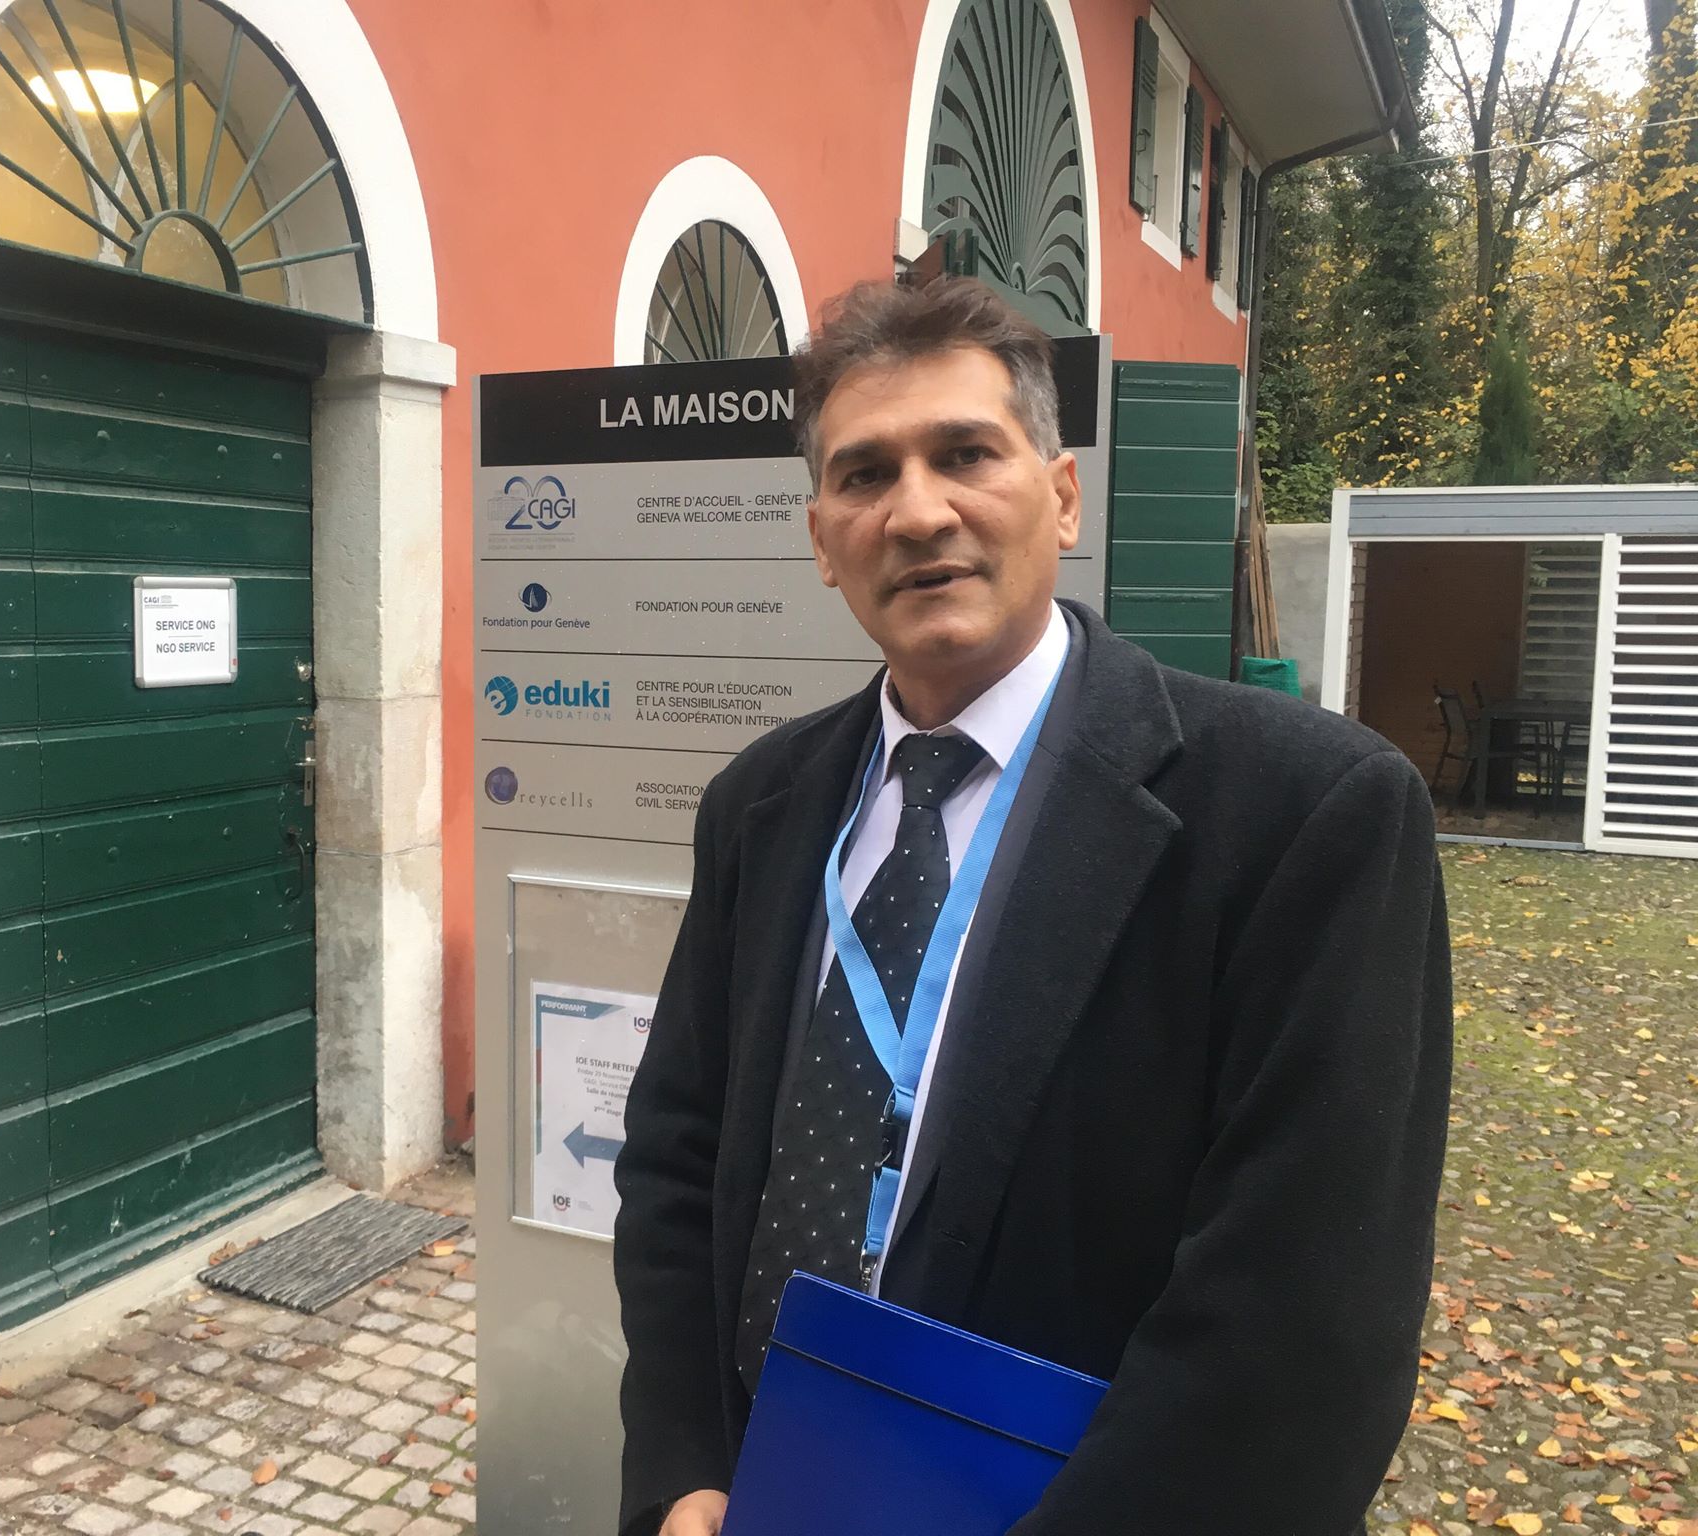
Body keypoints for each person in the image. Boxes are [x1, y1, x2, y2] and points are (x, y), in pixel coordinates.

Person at [610, 277, 1452, 1536]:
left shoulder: (1304, 815)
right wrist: (683, 1465)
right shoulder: (759, 804)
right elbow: (677, 1154)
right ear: (821, 537)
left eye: (964, 454)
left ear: (1061, 495)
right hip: (760, 1492)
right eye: (863, 474)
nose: (916, 512)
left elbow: (1299, 1321)